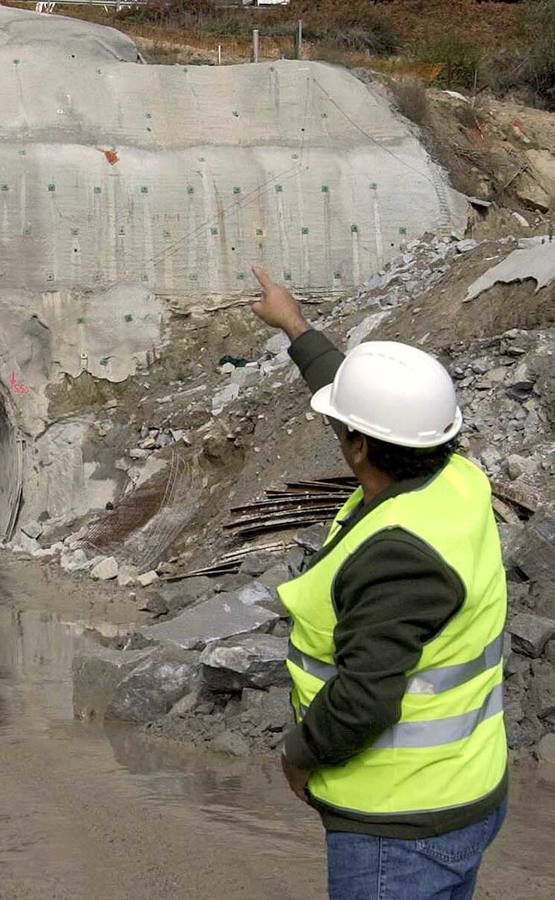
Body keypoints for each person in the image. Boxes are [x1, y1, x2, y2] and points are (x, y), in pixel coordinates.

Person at [250, 266, 507, 900]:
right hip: (465, 786)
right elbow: (370, 408)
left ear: (360, 446)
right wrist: (295, 326)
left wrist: (299, 753)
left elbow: (364, 701)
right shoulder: (452, 478)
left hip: (399, 824)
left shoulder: (399, 555)